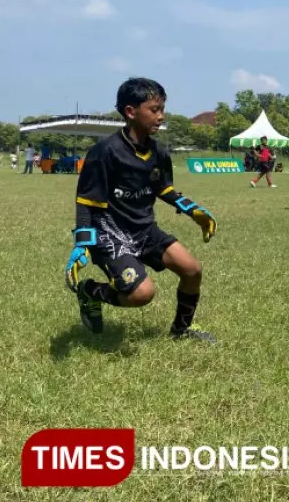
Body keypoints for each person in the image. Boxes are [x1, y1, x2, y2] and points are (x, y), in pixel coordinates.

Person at [64, 77, 217, 342]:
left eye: (162, 109)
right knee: (141, 294)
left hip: (145, 230)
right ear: (130, 112)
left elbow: (163, 188)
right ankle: (89, 291)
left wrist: (193, 211)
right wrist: (82, 245)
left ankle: (180, 332)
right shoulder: (105, 152)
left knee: (192, 270)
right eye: (154, 109)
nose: (161, 116)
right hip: (110, 235)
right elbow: (86, 201)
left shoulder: (158, 151)